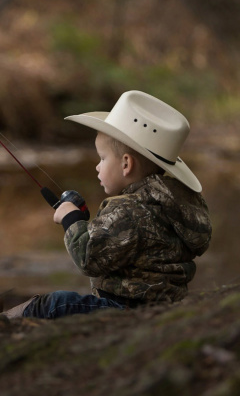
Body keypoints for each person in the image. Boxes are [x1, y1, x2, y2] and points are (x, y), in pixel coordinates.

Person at [1, 90, 212, 319]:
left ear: (126, 164)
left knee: (52, 305)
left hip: (128, 309)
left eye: (102, 158)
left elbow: (88, 258)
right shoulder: (169, 205)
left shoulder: (128, 211)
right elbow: (123, 243)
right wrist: (88, 225)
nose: (97, 167)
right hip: (161, 306)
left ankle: (6, 323)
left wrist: (71, 219)